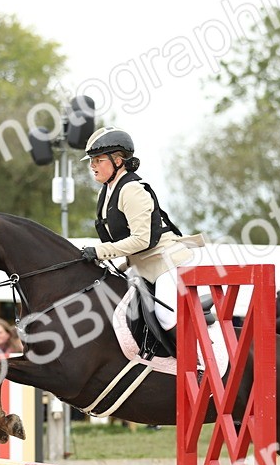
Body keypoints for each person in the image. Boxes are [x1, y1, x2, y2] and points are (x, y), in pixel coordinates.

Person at [78, 127, 202, 332]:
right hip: (141, 267)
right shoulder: (107, 191)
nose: (92, 165)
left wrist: (100, 251)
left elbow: (142, 240)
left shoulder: (132, 189)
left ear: (118, 161)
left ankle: (198, 361)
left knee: (166, 317)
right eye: (91, 160)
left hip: (167, 264)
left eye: (98, 160)